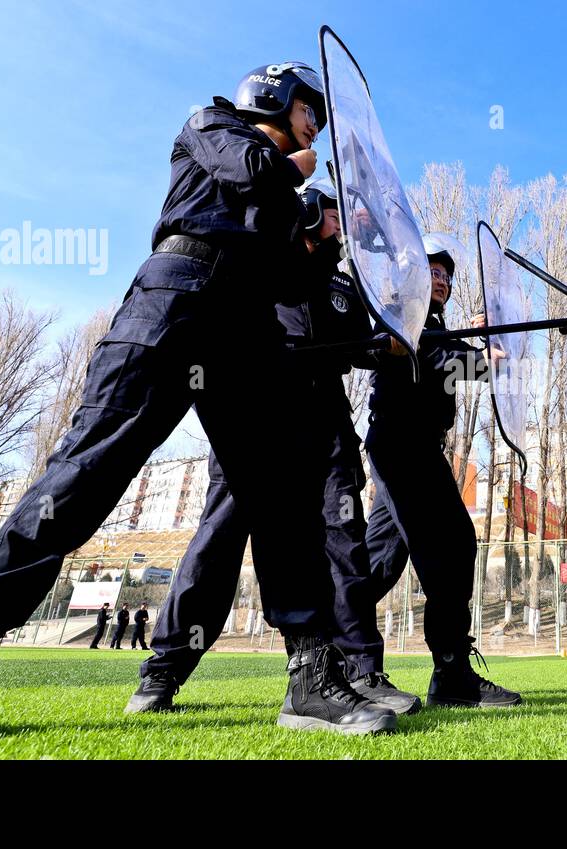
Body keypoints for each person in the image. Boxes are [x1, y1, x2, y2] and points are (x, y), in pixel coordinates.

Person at [0, 62, 390, 747]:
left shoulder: (292, 198)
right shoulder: (213, 124)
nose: (315, 126)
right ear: (275, 97)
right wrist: (299, 184)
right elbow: (251, 170)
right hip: (175, 302)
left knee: (282, 499)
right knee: (81, 479)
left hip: (248, 333)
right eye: (308, 110)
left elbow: (293, 280)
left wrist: (324, 251)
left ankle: (311, 675)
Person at [126, 178, 402, 728]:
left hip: (326, 431)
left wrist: (395, 336)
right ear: (304, 210)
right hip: (254, 420)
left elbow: (361, 347)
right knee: (219, 540)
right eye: (331, 214)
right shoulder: (261, 260)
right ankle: (165, 668)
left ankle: (354, 670)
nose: (340, 227)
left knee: (343, 548)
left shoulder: (343, 286)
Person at [355, 235, 522, 708]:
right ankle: (449, 674)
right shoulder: (400, 311)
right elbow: (438, 360)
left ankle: (335, 647)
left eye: (447, 274)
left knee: (380, 561)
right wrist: (482, 358)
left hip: (418, 449)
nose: (442, 280)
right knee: (450, 546)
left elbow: (449, 356)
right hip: (400, 447)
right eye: (433, 270)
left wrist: (480, 343)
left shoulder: (434, 325)